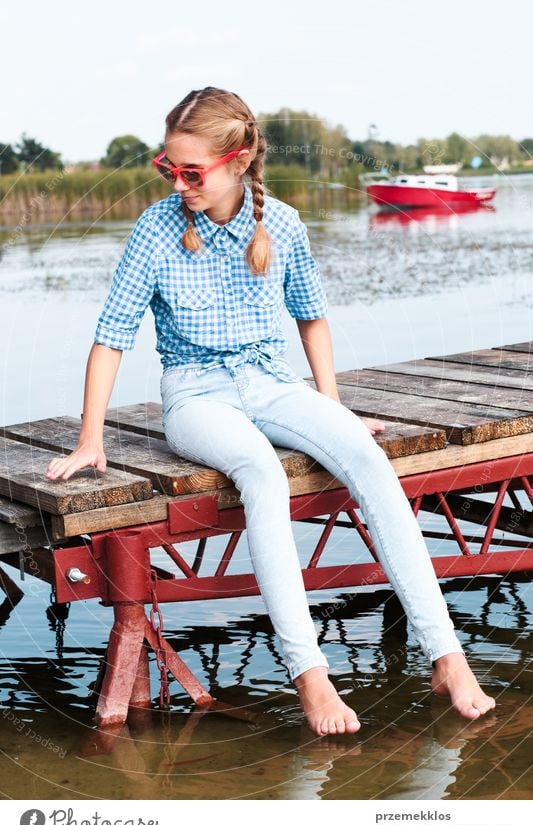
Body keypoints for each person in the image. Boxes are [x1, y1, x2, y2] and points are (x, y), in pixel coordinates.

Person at [45, 86, 495, 736]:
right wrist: (92, 437)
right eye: (166, 168)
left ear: (237, 158)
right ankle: (308, 672)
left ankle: (446, 655)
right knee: (262, 473)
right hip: (196, 395)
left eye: (191, 171)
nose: (179, 183)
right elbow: (111, 335)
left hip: (271, 382)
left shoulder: (280, 223)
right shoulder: (156, 228)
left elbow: (311, 319)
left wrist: (332, 413)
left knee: (366, 460)